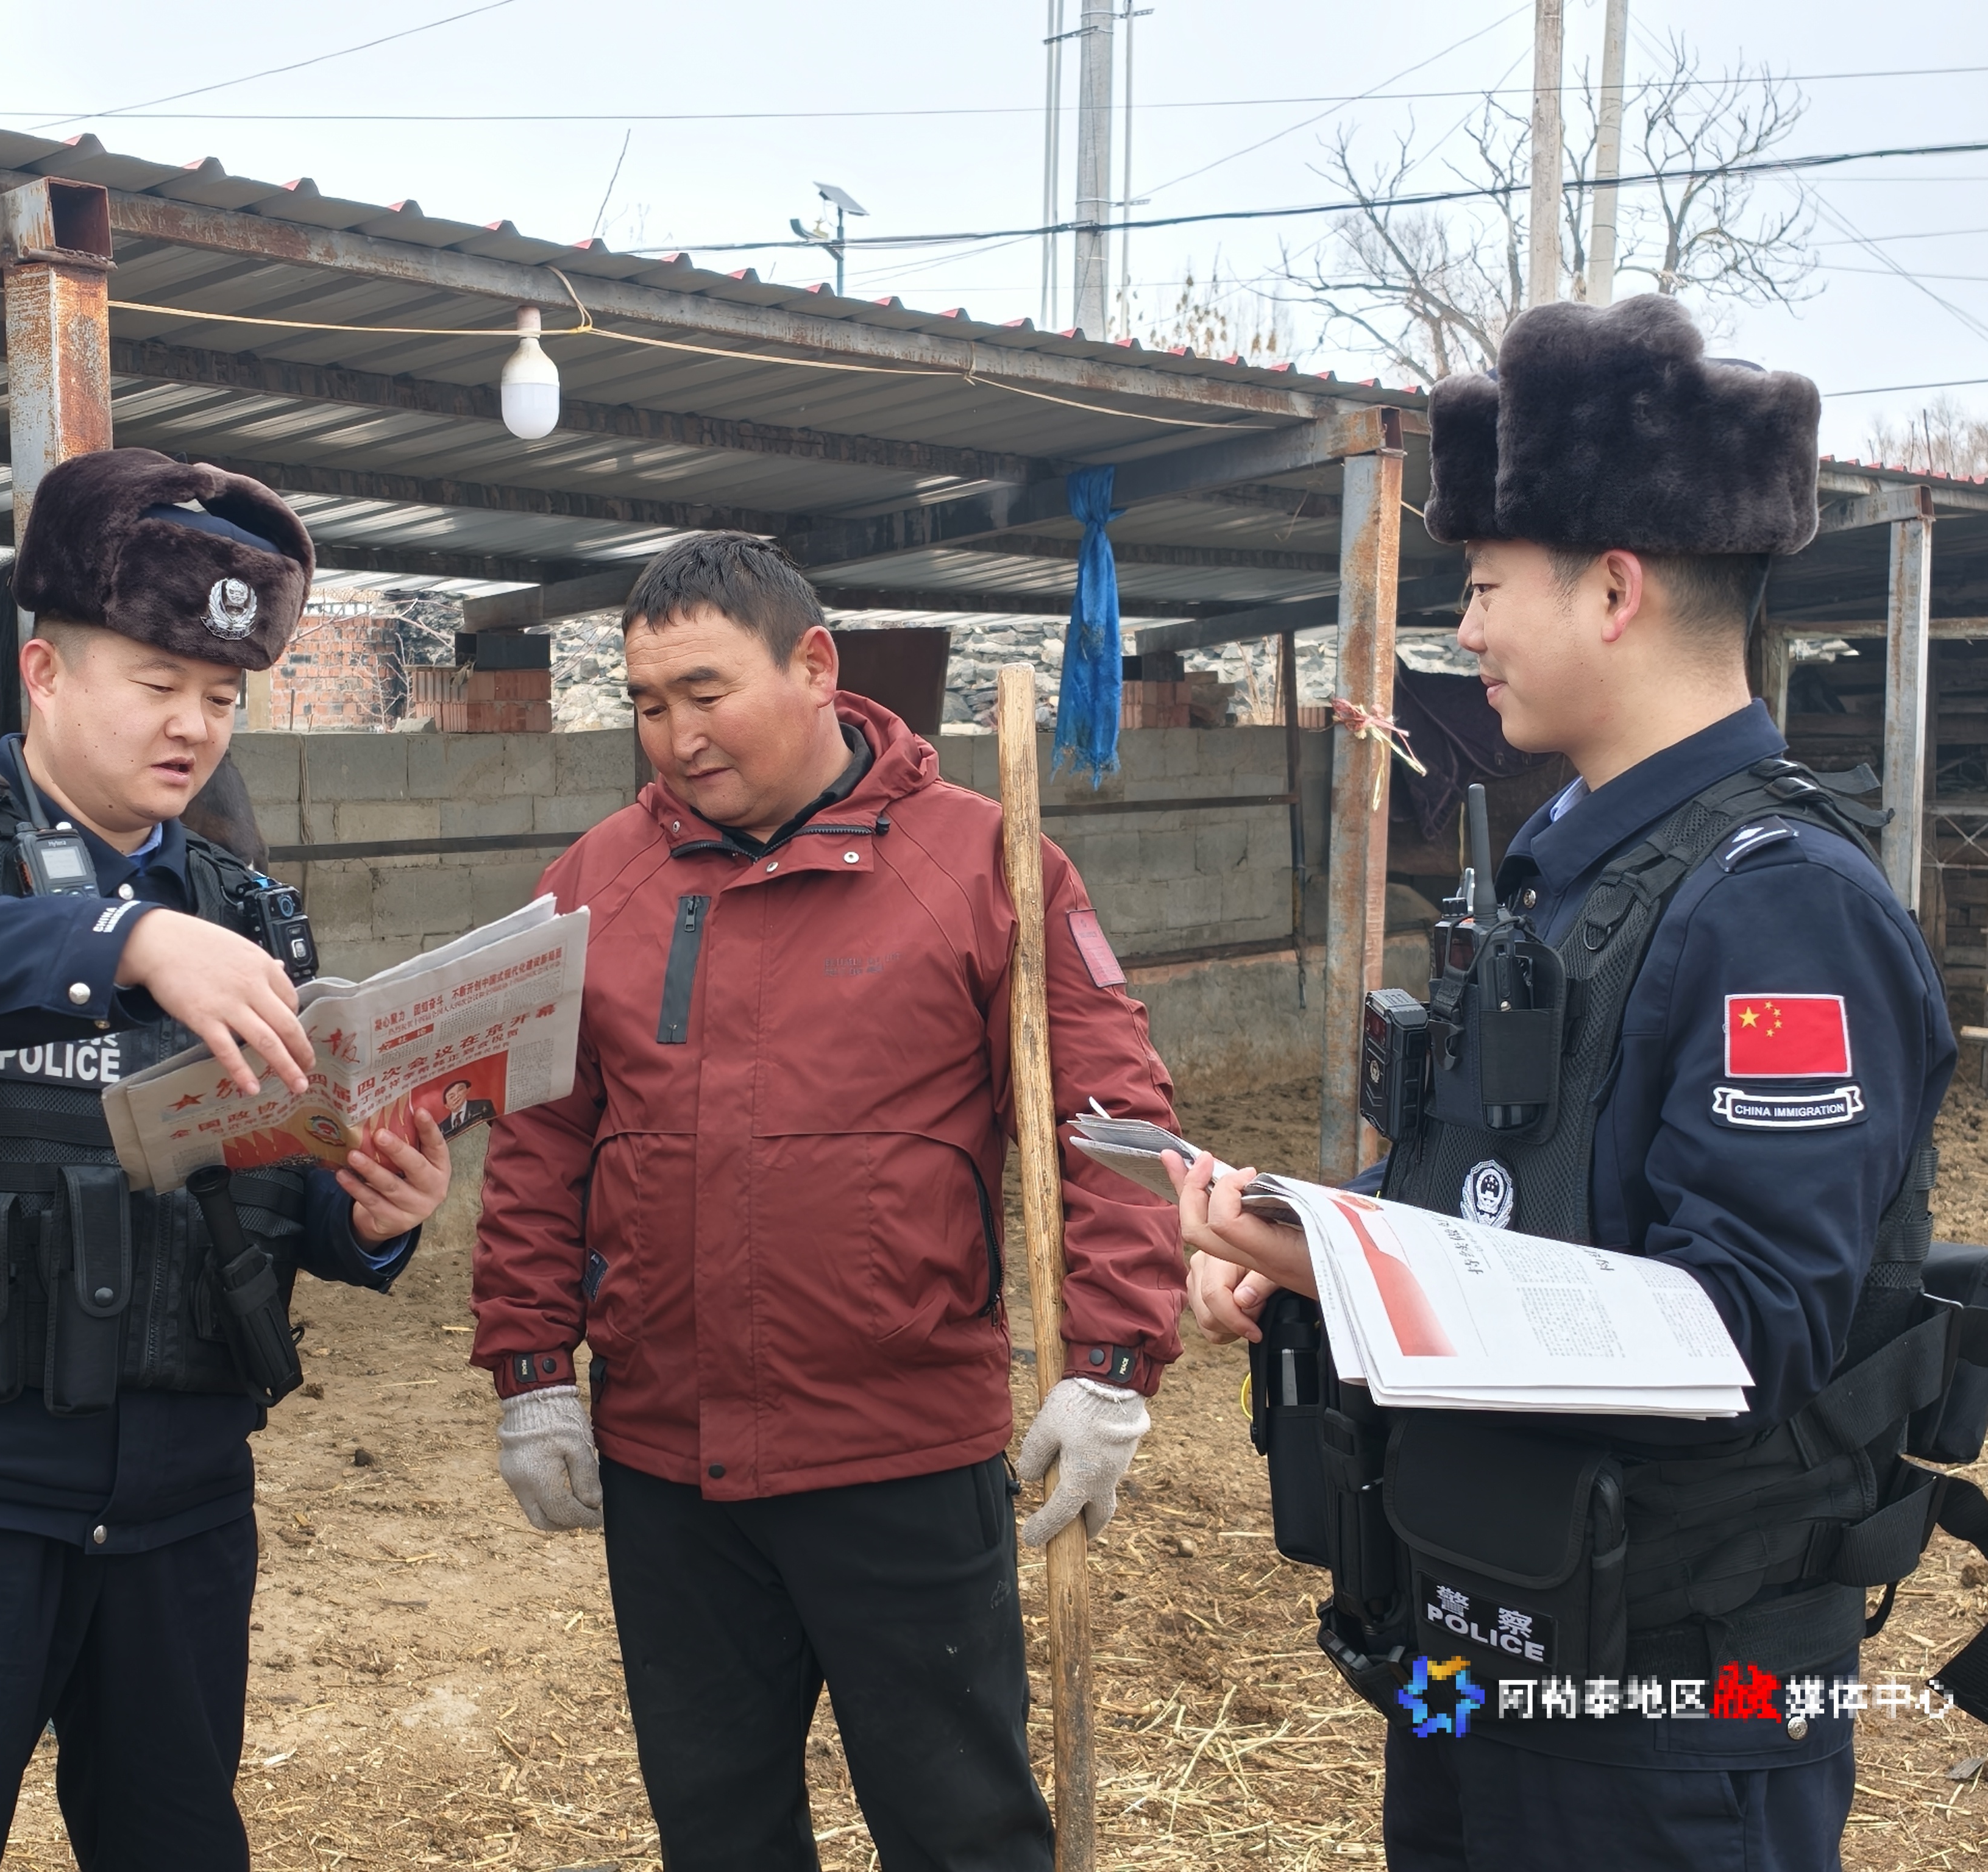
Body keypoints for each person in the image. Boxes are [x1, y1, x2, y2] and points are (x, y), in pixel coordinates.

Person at [1168, 296, 1958, 1871]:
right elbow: (1504, 1193)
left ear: (1612, 588)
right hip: (1476, 1641)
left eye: (1480, 587)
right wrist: (1316, 1248)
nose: (1463, 633)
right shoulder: (1565, 867)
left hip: (1674, 1694)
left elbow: (1735, 1331)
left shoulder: (1777, 907)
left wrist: (1352, 1268)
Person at [0, 449, 454, 1870]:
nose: (193, 727)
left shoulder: (244, 910)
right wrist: (119, 940)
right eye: (157, 683)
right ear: (45, 675)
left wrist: (369, 1211)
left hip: (179, 1502)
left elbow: (273, 1177)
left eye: (222, 698)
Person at [469, 532, 1187, 1872]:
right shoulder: (594, 881)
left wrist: (1109, 1365)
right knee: (718, 1828)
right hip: (669, 1456)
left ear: (814, 666)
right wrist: (530, 1369)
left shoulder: (985, 863)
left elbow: (1110, 1125)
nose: (675, 738)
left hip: (898, 1450)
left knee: (961, 1829)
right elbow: (538, 1140)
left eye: (705, 693)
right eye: (646, 704)